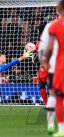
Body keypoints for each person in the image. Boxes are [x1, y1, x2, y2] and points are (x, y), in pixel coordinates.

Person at [43, 1, 64, 136]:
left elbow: (46, 47)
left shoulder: (53, 26)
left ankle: (53, 125)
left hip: (57, 67)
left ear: (59, 9)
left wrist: (44, 60)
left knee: (55, 95)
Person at [38, 22, 58, 134]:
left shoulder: (41, 43)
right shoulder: (56, 40)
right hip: (59, 68)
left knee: (48, 90)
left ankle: (50, 124)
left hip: (48, 68)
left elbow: (40, 56)